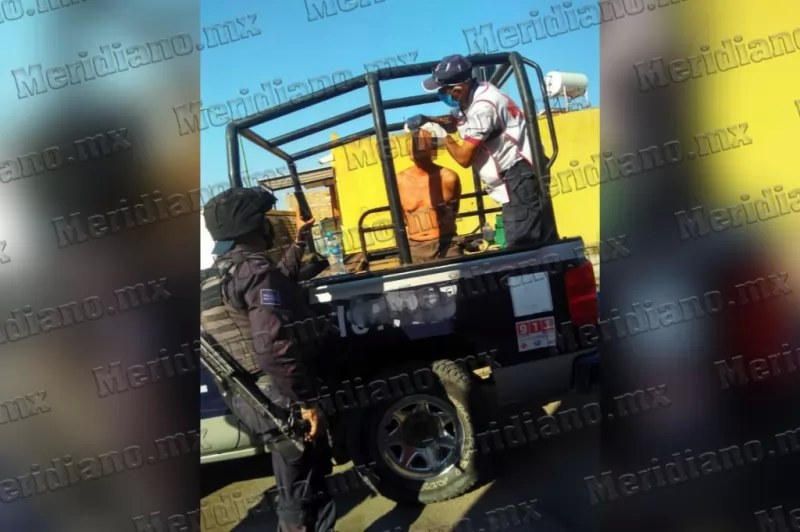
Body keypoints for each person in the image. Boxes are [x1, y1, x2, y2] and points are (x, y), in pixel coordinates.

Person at [200, 187, 336, 532]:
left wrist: (300, 240)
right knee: (304, 491)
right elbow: (273, 346)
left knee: (298, 484)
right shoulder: (252, 270)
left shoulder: (218, 275)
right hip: (280, 398)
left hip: (252, 397)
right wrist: (305, 402)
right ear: (252, 226)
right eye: (263, 219)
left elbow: (278, 281)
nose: (268, 226)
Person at [406, 53, 559, 248]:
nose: (442, 95)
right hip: (517, 174)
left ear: (458, 89)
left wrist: (442, 135)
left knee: (521, 246)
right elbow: (455, 121)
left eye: (443, 90)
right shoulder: (471, 97)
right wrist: (427, 120)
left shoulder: (484, 106)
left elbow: (464, 158)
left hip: (519, 174)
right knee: (542, 240)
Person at [396, 125, 462, 263]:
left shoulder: (449, 178)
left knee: (455, 275)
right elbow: (401, 216)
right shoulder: (399, 180)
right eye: (413, 142)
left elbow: (453, 211)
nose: (415, 148)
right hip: (415, 247)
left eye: (421, 142)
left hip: (446, 243)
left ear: (433, 148)